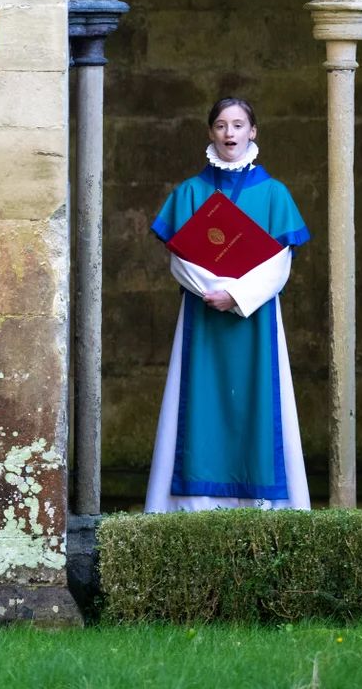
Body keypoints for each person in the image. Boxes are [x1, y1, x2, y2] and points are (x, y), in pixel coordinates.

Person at [144, 97, 311, 512]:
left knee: (260, 399)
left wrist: (237, 296)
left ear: (253, 131)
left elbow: (280, 263)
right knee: (199, 404)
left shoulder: (275, 194)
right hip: (201, 315)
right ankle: (194, 505)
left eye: (238, 125)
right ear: (210, 133)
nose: (229, 133)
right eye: (221, 125)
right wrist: (211, 291)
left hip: (257, 320)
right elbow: (178, 258)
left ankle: (263, 504)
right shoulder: (190, 192)